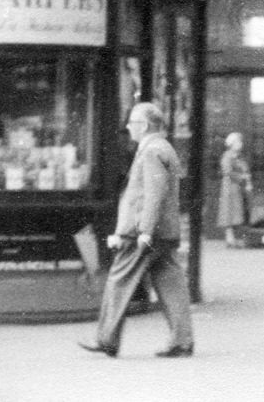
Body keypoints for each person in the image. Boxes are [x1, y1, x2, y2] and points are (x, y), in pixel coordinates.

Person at [79, 101, 194, 358]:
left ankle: (106, 338)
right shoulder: (164, 148)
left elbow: (153, 194)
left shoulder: (151, 151)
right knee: (170, 282)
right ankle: (182, 340)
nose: (129, 127)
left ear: (143, 125)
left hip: (144, 233)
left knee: (118, 281)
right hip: (164, 232)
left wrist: (144, 231)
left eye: (132, 122)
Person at [217, 131, 252, 248]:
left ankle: (234, 238)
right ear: (232, 143)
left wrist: (246, 177)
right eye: (238, 141)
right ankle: (230, 238)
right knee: (229, 211)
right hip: (230, 187)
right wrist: (241, 177)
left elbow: (244, 169)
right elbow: (227, 171)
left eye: (240, 141)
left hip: (238, 187)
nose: (240, 144)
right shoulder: (227, 156)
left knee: (237, 212)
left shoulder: (239, 156)